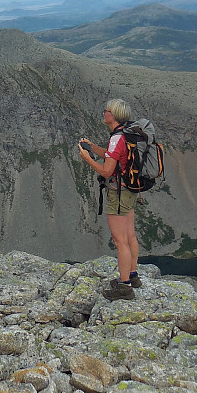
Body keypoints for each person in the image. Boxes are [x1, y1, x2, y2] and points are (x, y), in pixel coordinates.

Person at [78, 98, 143, 300]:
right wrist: (92, 147)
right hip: (131, 189)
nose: (104, 113)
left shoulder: (117, 138)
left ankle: (124, 288)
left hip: (118, 192)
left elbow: (107, 171)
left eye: (106, 110)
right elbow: (111, 155)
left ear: (113, 115)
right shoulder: (125, 134)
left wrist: (87, 159)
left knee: (119, 240)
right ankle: (132, 276)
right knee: (130, 235)